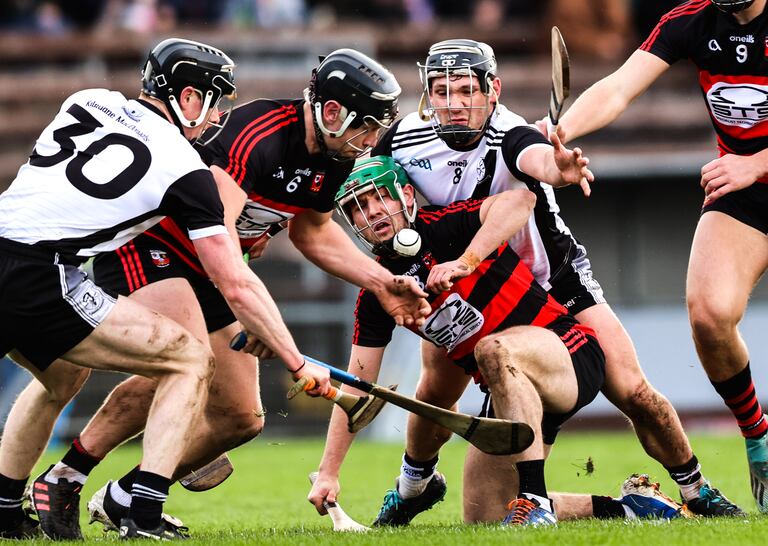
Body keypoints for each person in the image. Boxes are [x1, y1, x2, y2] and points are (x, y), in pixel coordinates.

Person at [30, 48, 431, 538]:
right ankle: (66, 477)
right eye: (366, 127)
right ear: (333, 113)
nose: (371, 142)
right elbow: (218, 243)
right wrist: (287, 351)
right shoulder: (259, 136)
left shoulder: (331, 158)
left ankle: (124, 498)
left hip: (215, 266)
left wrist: (380, 280)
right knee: (184, 362)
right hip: (156, 244)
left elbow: (312, 232)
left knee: (239, 416)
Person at [353, 38, 740, 522]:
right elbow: (364, 186)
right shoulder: (403, 138)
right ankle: (413, 488)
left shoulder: (511, 131)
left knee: (631, 388)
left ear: (492, 89)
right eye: (440, 90)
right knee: (436, 391)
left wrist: (558, 168)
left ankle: (698, 490)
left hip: (550, 279)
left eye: (465, 90)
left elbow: (538, 162)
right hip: (468, 286)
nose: (452, 103)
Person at [0, 37, 337, 543]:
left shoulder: (86, 99)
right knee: (189, 360)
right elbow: (232, 277)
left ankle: (1, 515)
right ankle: (142, 515)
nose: (216, 118)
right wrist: (296, 360)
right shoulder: (185, 167)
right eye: (215, 101)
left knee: (62, 377)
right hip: (41, 276)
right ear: (188, 98)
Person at [308, 156, 688, 526]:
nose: (372, 212)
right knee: (486, 512)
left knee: (490, 348)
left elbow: (521, 200)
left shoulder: (446, 227)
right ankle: (633, 509)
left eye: (380, 197)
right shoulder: (376, 294)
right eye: (357, 207)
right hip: (511, 393)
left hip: (567, 353)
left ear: (408, 196)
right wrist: (328, 472)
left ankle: (535, 500)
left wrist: (465, 262)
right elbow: (357, 387)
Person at [554, 0, 768, 512]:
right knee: (709, 314)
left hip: (748, 170)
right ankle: (759, 441)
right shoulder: (691, 21)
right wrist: (557, 133)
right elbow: (619, 87)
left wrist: (756, 163)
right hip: (744, 192)